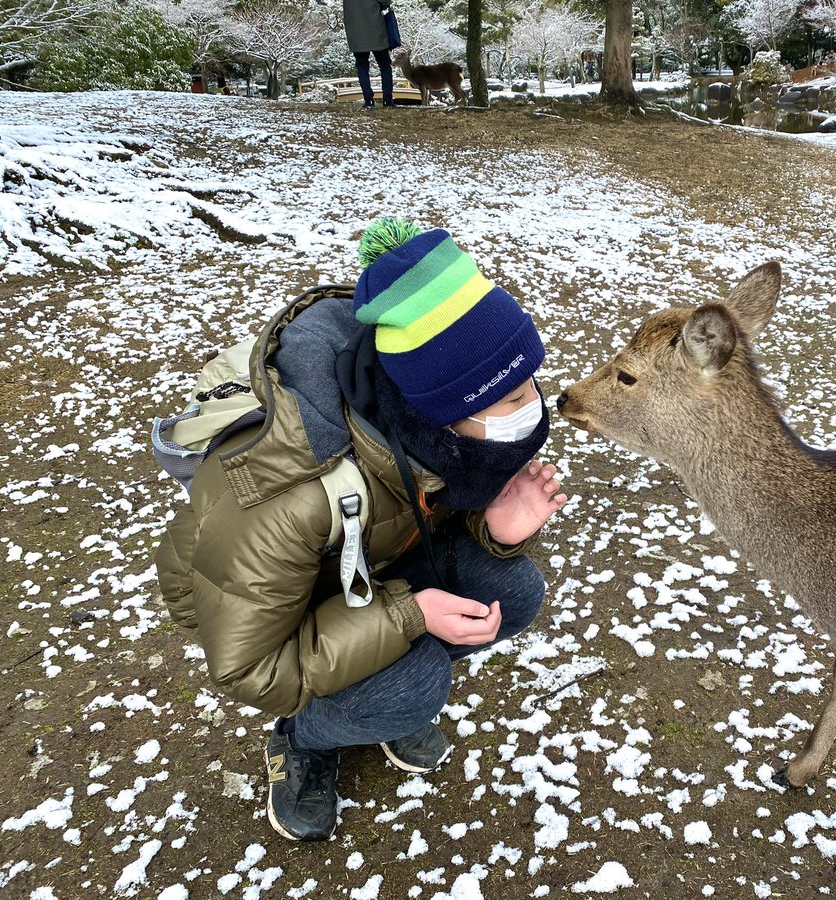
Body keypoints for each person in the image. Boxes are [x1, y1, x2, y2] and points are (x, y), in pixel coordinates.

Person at [155, 218, 570, 841]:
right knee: (415, 683)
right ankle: (308, 738)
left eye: (528, 384)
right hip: (274, 623)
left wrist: (496, 530)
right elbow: (250, 668)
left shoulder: (434, 434)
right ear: (444, 410)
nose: (533, 407)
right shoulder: (288, 491)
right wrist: (410, 616)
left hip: (366, 567)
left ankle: (376, 702)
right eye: (509, 400)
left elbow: (423, 520)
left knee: (512, 590)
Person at [344, 0, 397, 108]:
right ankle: (387, 100)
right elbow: (385, 2)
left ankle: (368, 100)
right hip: (376, 29)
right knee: (385, 65)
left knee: (362, 66)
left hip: (356, 33)